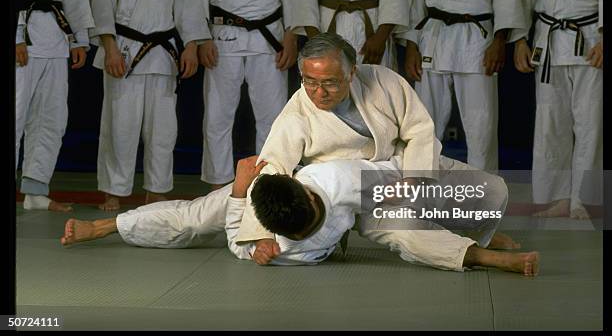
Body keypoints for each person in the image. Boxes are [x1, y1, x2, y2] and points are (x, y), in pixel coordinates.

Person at [60, 156, 538, 276]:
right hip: (257, 189)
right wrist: (239, 194)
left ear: (310, 200)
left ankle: (478, 251)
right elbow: (234, 240)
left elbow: (397, 184)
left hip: (360, 201)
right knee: (191, 219)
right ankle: (107, 227)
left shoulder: (341, 178)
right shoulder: (275, 238)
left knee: (409, 233)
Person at [233, 32, 442, 248]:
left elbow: (420, 129)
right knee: (210, 212)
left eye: (330, 83)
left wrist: (413, 180)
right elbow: (271, 167)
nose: (319, 93)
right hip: (332, 193)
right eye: (309, 81)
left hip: (399, 173)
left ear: (351, 72)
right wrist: (263, 236)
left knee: (473, 194)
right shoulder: (297, 112)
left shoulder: (383, 81)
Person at [89, 0, 208, 211]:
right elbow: (102, 0)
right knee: (120, 126)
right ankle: (113, 191)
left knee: (163, 129)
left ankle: (157, 189)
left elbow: (188, 1)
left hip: (163, 53)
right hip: (124, 49)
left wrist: (191, 46)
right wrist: (109, 48)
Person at [402, 0, 526, 171]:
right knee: (424, 126)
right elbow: (415, 0)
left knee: (481, 128)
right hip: (433, 38)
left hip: (478, 40)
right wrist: (411, 45)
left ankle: (483, 200)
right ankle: (421, 195)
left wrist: (500, 40)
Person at [190, 0, 298, 190]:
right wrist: (202, 38)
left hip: (269, 36)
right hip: (221, 35)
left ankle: (269, 180)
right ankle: (218, 183)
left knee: (272, 116)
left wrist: (291, 36)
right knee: (218, 115)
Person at [512, 0, 603, 219]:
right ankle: (555, 199)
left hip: (590, 39)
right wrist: (519, 39)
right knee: (549, 125)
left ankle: (585, 201)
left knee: (590, 124)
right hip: (547, 39)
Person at [15, 0, 95, 212]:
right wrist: (16, 36)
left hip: (55, 35)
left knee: (52, 118)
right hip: (24, 35)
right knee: (14, 117)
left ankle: (35, 191)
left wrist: (78, 40)